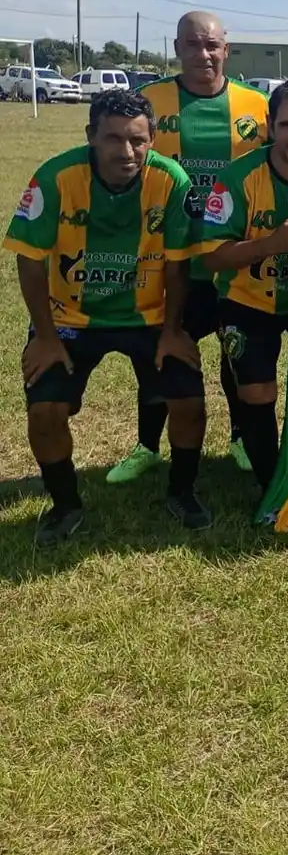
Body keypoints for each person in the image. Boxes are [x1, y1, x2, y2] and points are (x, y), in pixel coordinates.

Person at [6, 90, 209, 544]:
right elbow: (29, 258)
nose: (126, 151)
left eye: (138, 140)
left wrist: (174, 330)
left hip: (149, 316)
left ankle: (182, 492)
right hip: (69, 318)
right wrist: (43, 335)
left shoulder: (172, 181)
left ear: (153, 139)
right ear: (90, 137)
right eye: (113, 138)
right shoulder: (56, 177)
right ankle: (64, 506)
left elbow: (177, 263)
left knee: (190, 404)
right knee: (45, 412)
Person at [127, 10, 268, 482]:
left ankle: (242, 439)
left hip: (233, 257)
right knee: (161, 354)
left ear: (226, 49)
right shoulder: (148, 100)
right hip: (169, 257)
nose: (203, 54)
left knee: (237, 353)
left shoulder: (258, 105)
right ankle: (147, 445)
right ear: (177, 48)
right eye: (193, 44)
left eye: (212, 45)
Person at [198, 80, 288, 495]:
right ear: (269, 126)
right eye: (287, 125)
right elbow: (212, 258)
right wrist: (271, 245)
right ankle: (271, 484)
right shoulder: (237, 178)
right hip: (249, 301)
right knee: (256, 392)